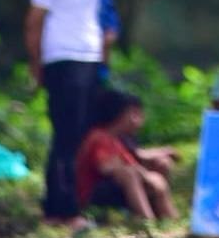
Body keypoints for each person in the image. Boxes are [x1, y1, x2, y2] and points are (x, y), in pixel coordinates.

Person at [25, 0, 107, 231]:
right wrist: (36, 63)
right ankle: (65, 210)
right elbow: (35, 20)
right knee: (66, 135)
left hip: (88, 57)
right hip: (63, 59)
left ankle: (59, 206)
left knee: (79, 134)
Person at [75, 89, 177, 220]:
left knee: (154, 173)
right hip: (90, 196)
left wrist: (151, 176)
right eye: (134, 114)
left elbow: (131, 162)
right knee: (130, 174)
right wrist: (146, 176)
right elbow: (107, 168)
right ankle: (147, 220)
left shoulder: (116, 140)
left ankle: (169, 218)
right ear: (118, 114)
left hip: (111, 190)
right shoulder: (99, 137)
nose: (139, 120)